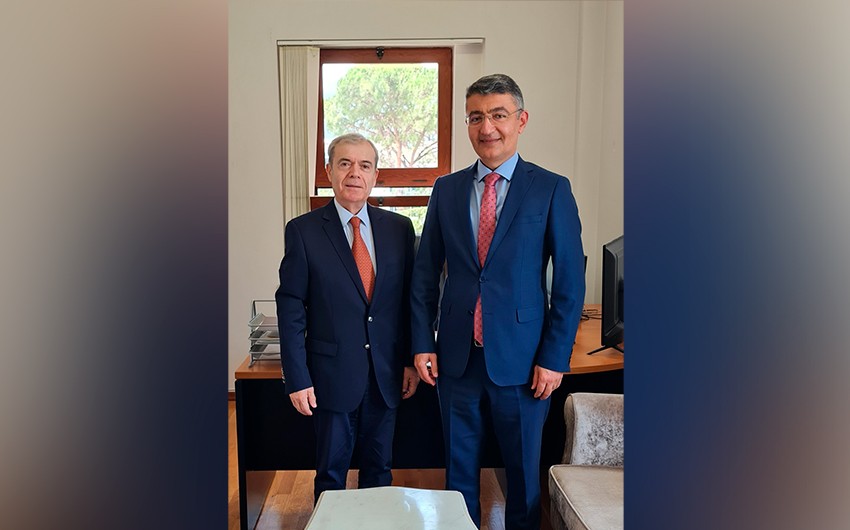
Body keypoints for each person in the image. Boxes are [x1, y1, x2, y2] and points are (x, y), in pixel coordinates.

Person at [410, 74, 585, 529]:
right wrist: (422, 343)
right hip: (456, 359)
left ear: (521, 121)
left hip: (524, 363)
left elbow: (570, 283)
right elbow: (425, 275)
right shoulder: (446, 189)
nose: (487, 127)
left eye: (498, 115)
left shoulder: (550, 189)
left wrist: (554, 358)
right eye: (476, 117)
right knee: (458, 474)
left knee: (523, 478)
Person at [275, 133, 420, 503]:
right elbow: (291, 308)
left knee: (380, 471)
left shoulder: (399, 229)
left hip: (386, 376)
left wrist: (409, 360)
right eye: (345, 163)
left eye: (364, 165)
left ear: (375, 176)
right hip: (331, 376)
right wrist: (297, 377)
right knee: (330, 475)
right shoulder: (303, 231)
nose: (355, 173)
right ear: (329, 171)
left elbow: (409, 301)